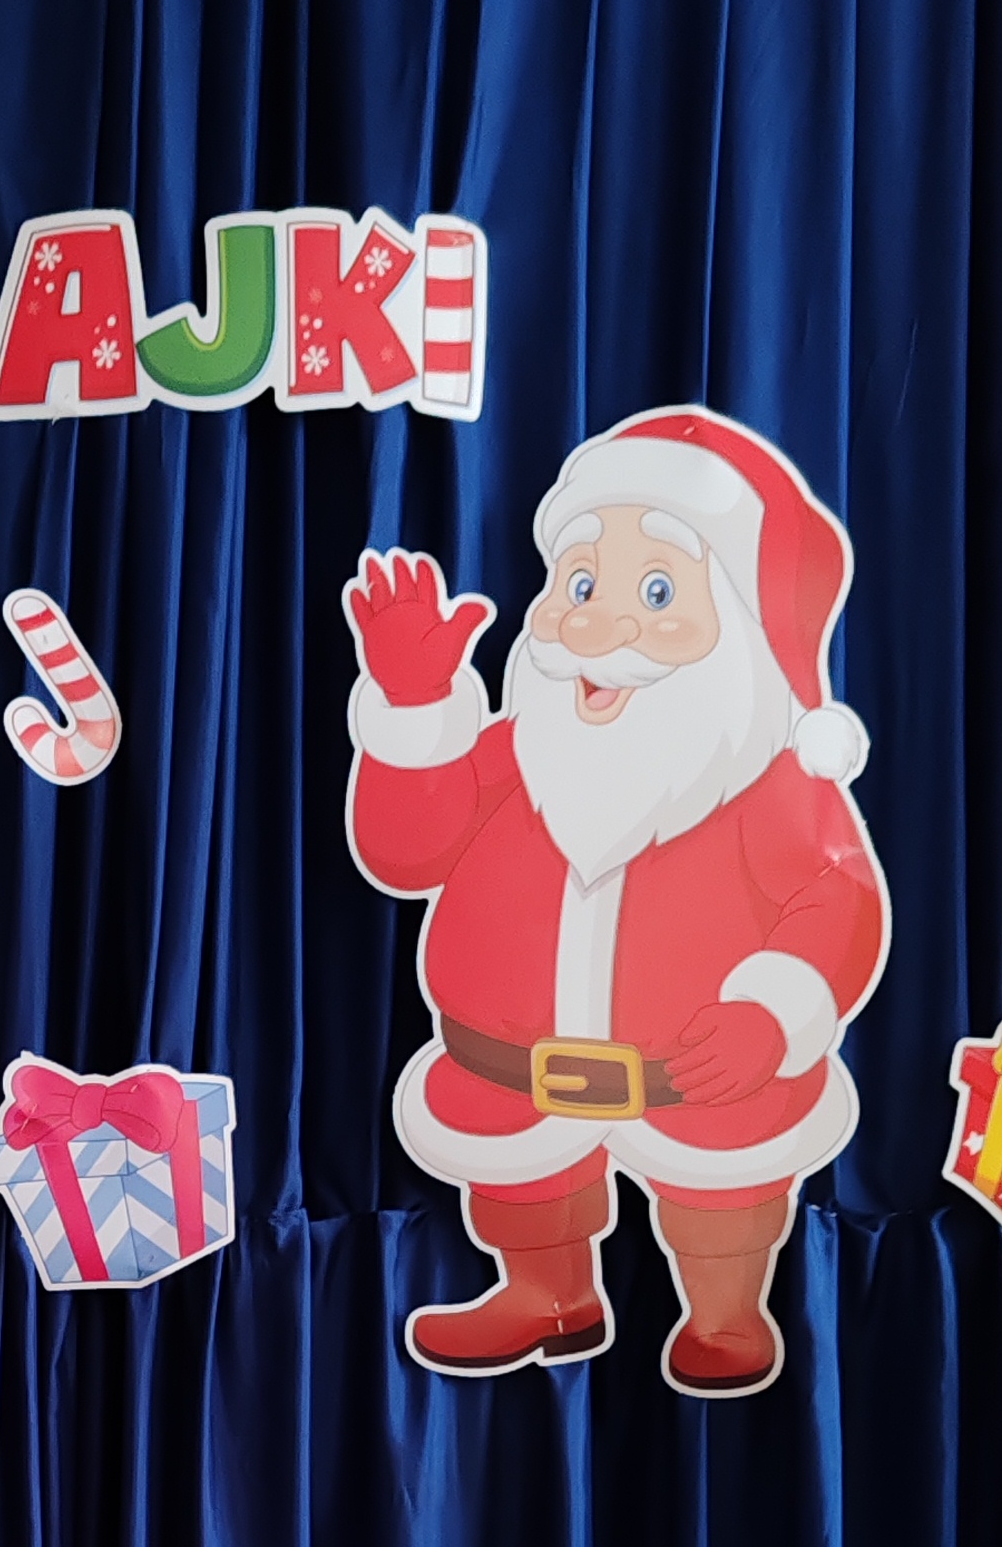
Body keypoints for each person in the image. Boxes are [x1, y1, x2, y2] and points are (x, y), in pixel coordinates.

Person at [345, 405, 890, 1394]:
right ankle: (547, 1293)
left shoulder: (767, 781)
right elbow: (408, 848)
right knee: (521, 1184)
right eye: (582, 583)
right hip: (511, 1071)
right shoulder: (519, 753)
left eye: (657, 590)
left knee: (721, 1204)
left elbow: (835, 898)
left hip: (700, 1081)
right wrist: (416, 709)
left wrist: (773, 1013)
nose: (599, 622)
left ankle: (726, 1311)